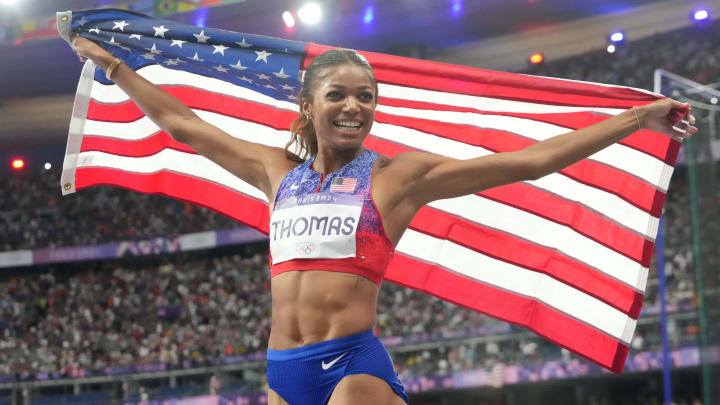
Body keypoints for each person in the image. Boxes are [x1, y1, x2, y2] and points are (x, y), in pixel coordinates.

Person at [69, 37, 696, 405]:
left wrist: (633, 121)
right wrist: (112, 66)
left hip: (350, 368)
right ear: (307, 104)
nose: (353, 106)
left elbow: (529, 162)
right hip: (281, 374)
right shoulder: (273, 171)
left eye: (365, 96)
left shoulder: (398, 178)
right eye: (337, 94)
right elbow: (183, 125)